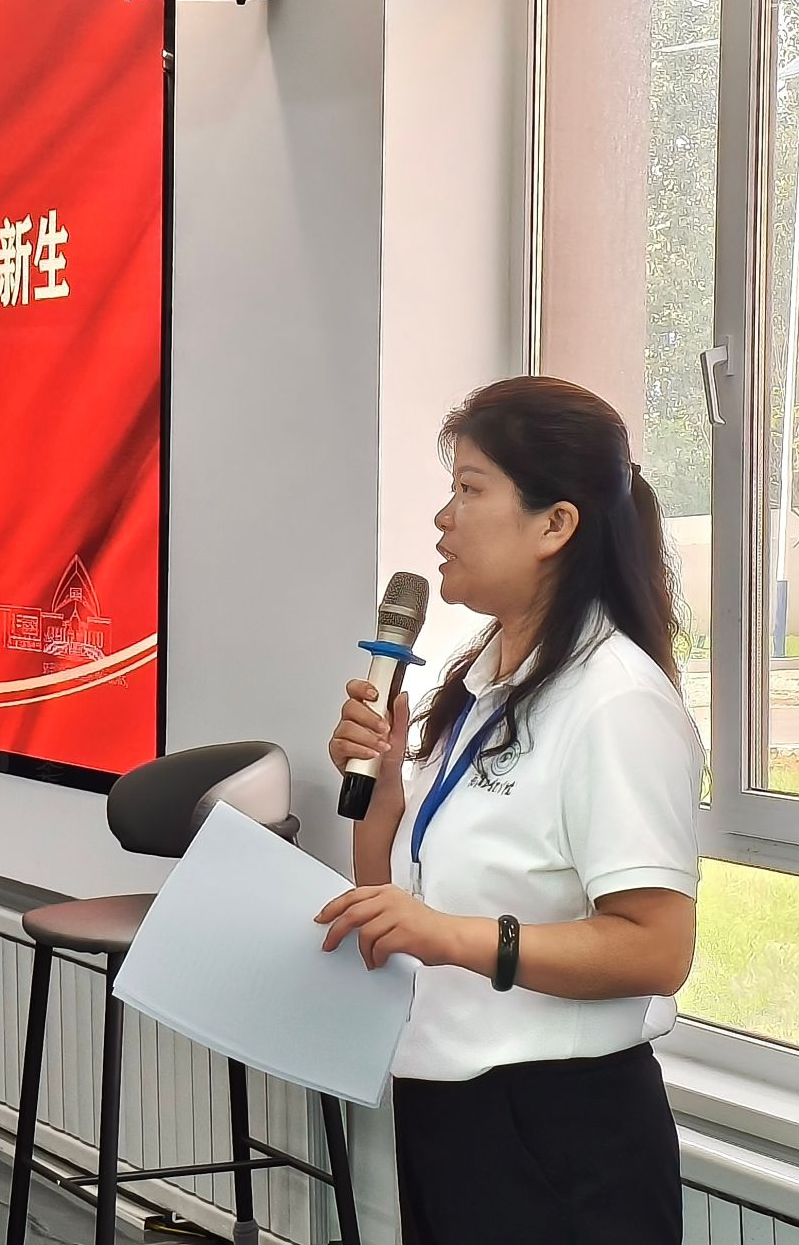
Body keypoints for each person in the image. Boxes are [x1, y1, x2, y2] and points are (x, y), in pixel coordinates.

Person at [317, 376, 704, 1244]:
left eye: (469, 489)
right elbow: (403, 903)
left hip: (559, 1136)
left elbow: (657, 948)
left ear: (555, 525)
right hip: (450, 1111)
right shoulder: (487, 685)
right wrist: (383, 798)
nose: (441, 520)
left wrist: (452, 937)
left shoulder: (615, 702)